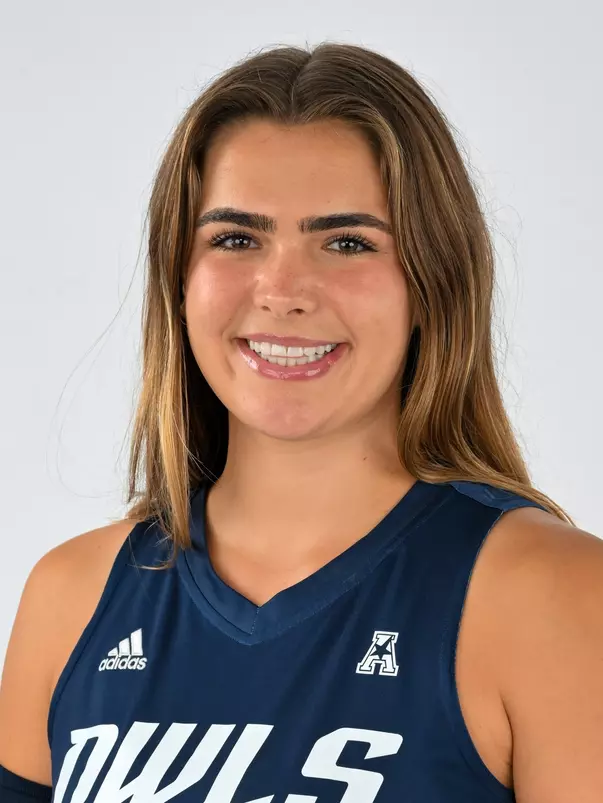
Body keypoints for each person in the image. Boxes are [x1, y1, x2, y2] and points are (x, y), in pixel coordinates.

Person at [0, 41, 601, 803]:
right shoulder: (72, 598)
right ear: (179, 280)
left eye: (346, 241)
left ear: (432, 280)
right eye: (235, 238)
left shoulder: (556, 596)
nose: (282, 289)